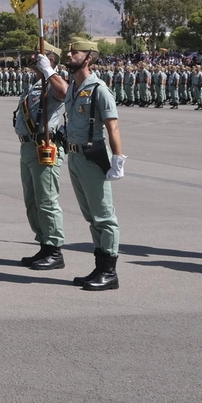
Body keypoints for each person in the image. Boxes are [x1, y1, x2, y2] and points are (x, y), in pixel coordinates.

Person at [58, 38, 128, 291]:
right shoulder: (73, 89)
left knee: (104, 216)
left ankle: (110, 272)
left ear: (88, 57)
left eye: (74, 51)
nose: (68, 54)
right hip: (75, 157)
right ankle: (100, 267)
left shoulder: (99, 89)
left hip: (92, 156)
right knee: (91, 216)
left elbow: (113, 126)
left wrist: (118, 158)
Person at [16, 47, 67, 270]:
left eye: (39, 56)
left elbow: (64, 93)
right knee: (32, 201)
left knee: (46, 201)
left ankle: (55, 250)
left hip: (45, 146)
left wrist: (48, 71)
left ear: (50, 59)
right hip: (28, 146)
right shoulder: (34, 84)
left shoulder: (55, 82)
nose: (33, 58)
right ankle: (44, 245)